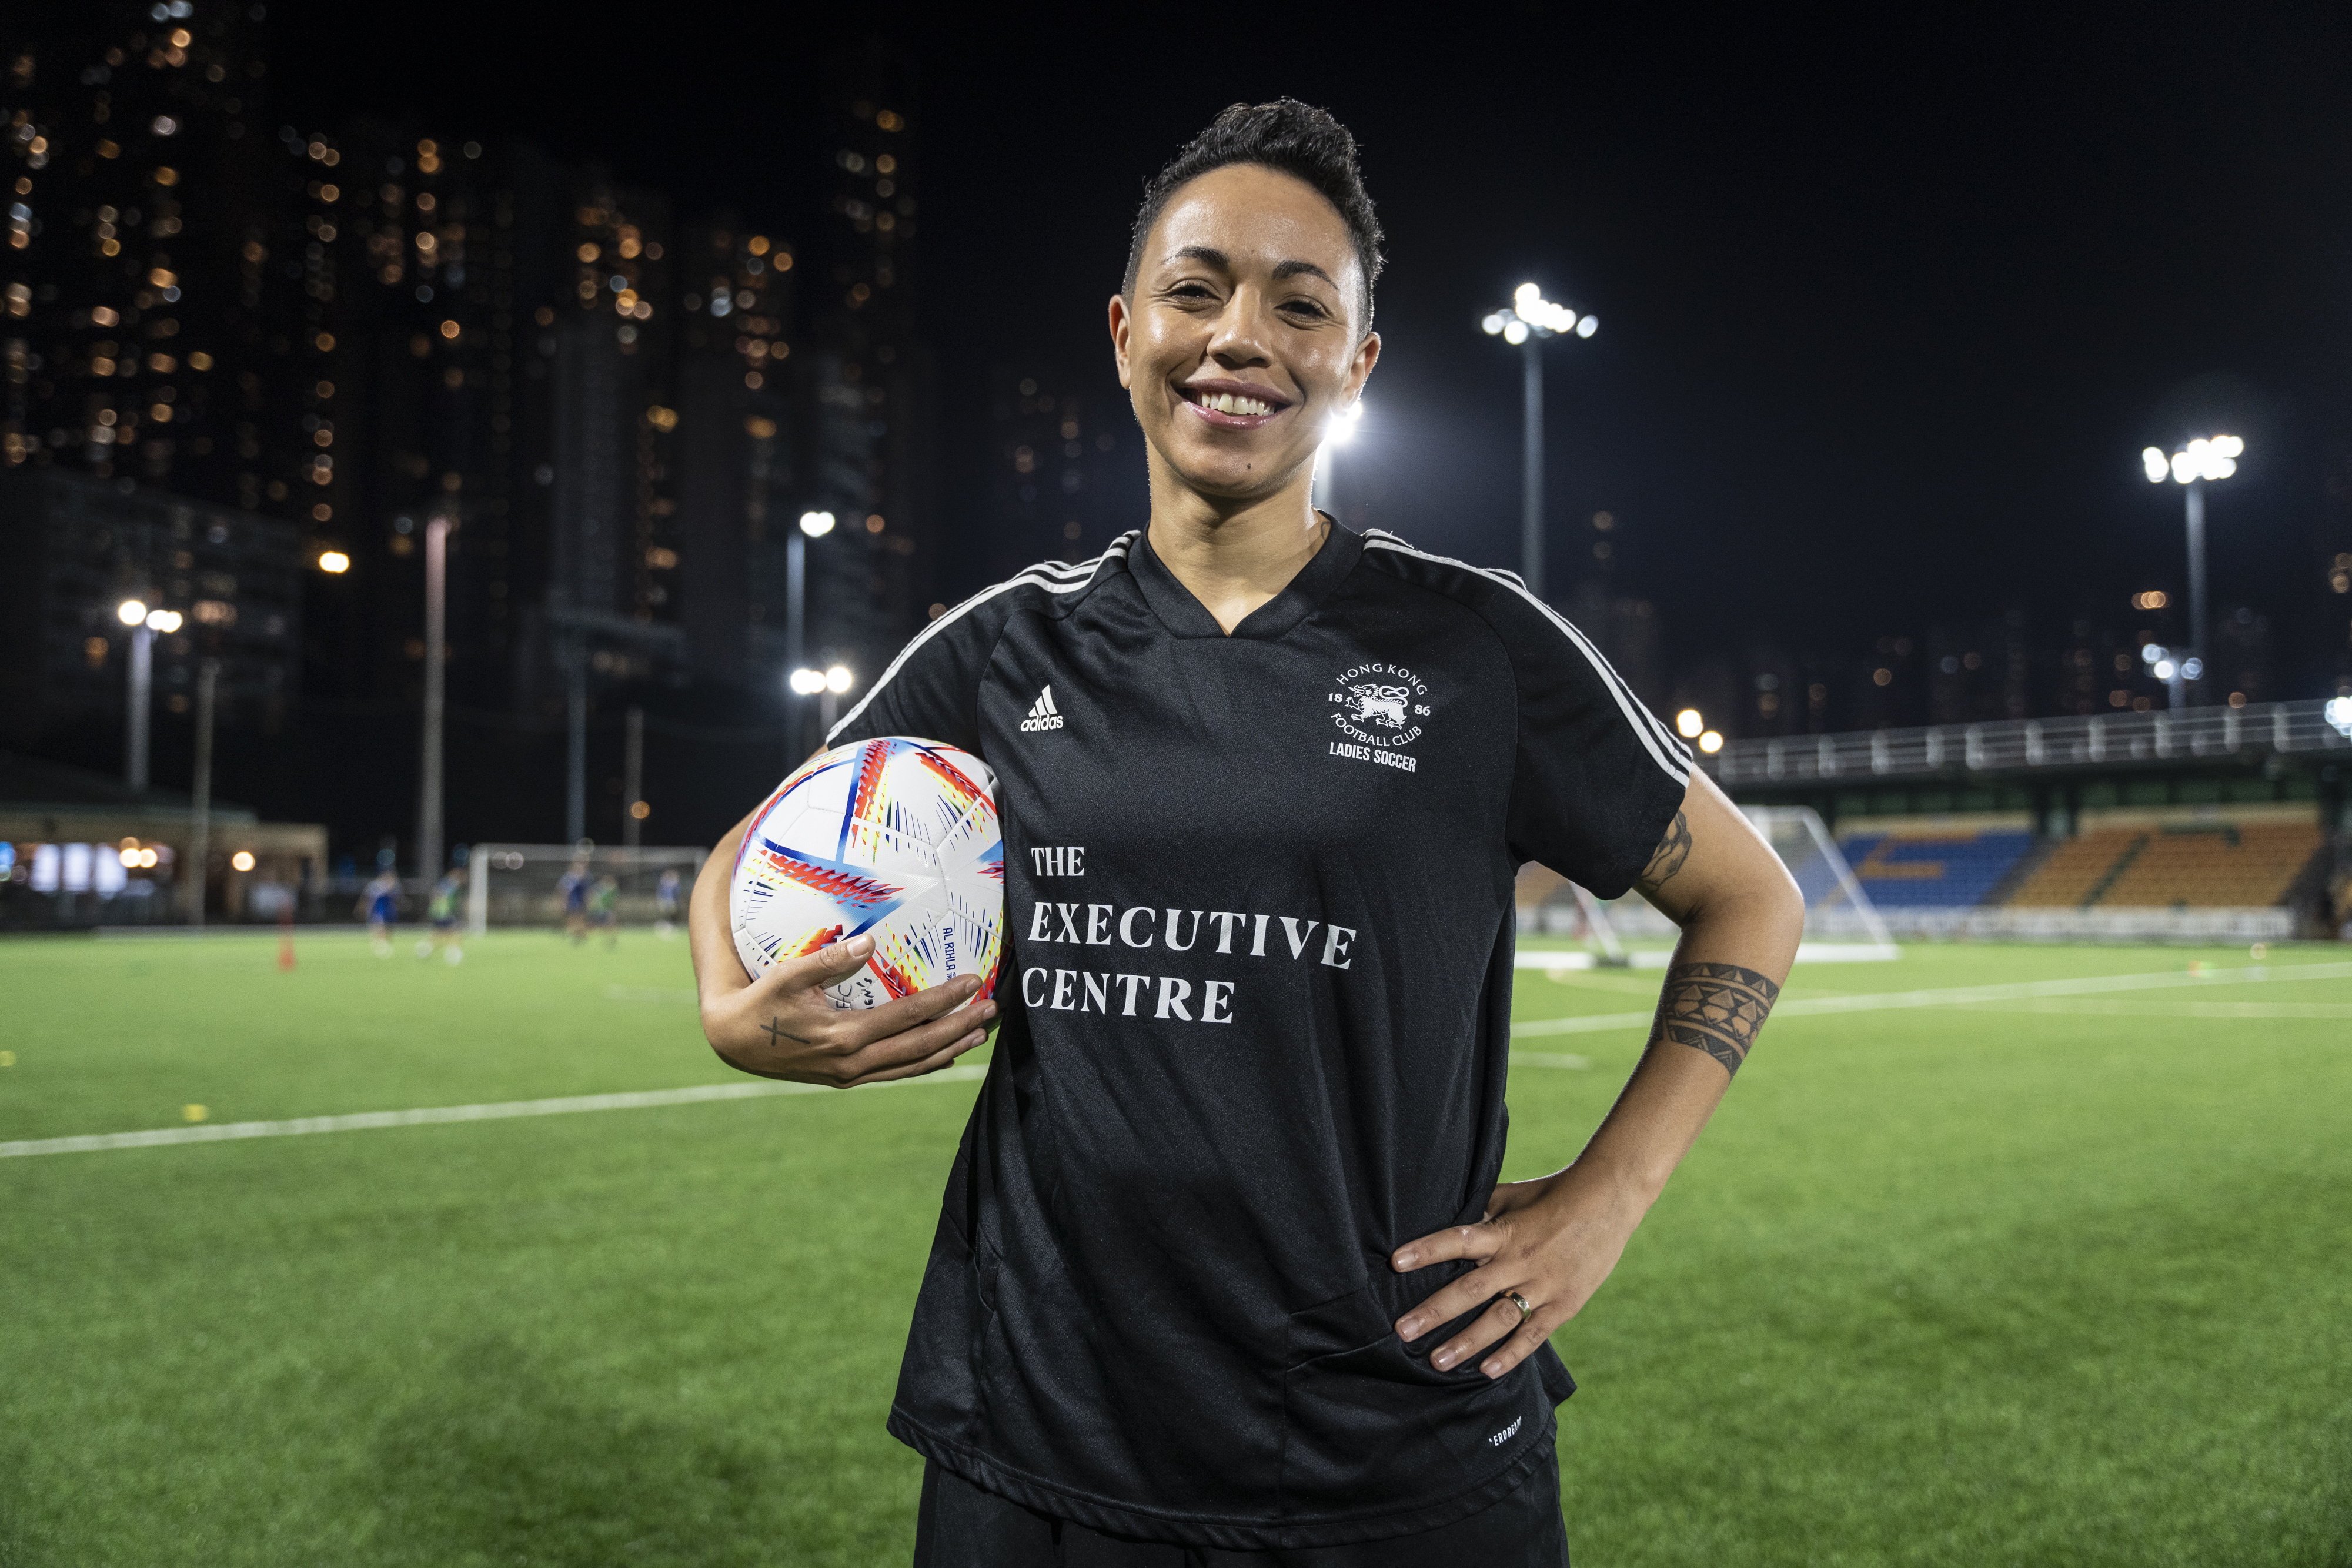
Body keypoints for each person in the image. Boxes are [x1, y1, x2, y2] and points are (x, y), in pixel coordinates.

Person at [689, 100, 1806, 1564]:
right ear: (1123, 329)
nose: (1238, 336)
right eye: (1195, 288)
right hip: (1041, 1440)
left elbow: (1750, 899)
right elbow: (745, 848)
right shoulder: (1010, 645)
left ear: (1356, 362)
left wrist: (1607, 1199)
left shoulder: (1476, 648)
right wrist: (729, 1008)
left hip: (1392, 1441)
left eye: (1299, 304)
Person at [421, 865, 465, 964]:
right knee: (455, 931)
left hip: (441, 912)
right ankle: (453, 953)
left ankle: (426, 949)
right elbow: (441, 895)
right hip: (444, 913)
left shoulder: (445, 883)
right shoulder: (452, 884)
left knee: (442, 933)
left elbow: (436, 893)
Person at [357, 867, 399, 958]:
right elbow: (367, 898)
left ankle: (382, 944)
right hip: (377, 911)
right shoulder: (375, 886)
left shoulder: (393, 887)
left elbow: (396, 899)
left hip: (387, 911)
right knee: (378, 927)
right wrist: (362, 909)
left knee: (386, 928)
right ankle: (378, 944)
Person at [556, 859, 591, 945]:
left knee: (580, 920)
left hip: (580, 903)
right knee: (572, 920)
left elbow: (587, 893)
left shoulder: (584, 880)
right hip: (573, 903)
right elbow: (563, 891)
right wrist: (562, 902)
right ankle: (577, 936)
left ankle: (580, 936)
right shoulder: (569, 880)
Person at [588, 873, 619, 949]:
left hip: (607, 910)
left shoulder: (612, 890)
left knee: (610, 925)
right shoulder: (598, 889)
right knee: (593, 926)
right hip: (599, 911)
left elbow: (614, 902)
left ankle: (611, 941)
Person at [654, 867, 682, 939]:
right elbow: (660, 892)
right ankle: (665, 926)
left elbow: (678, 892)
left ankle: (669, 926)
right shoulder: (664, 883)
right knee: (666, 914)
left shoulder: (674, 885)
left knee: (671, 914)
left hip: (672, 901)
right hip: (665, 901)